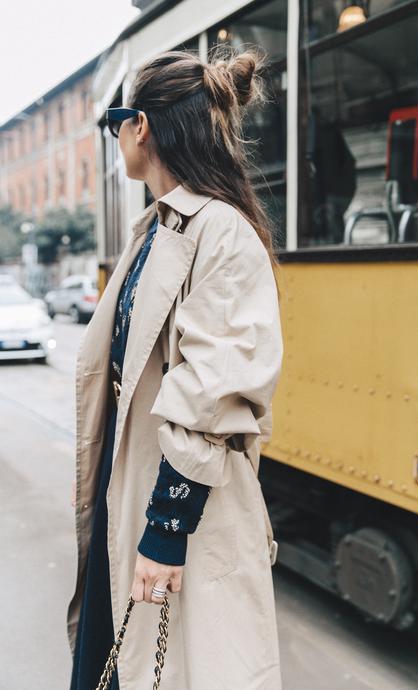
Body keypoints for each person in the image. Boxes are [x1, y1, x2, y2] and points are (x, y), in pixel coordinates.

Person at [67, 46, 284, 690]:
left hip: (178, 508)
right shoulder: (154, 229)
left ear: (143, 127)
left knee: (177, 669)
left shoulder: (221, 232)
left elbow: (212, 391)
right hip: (126, 489)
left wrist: (164, 531)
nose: (116, 137)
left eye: (117, 122)